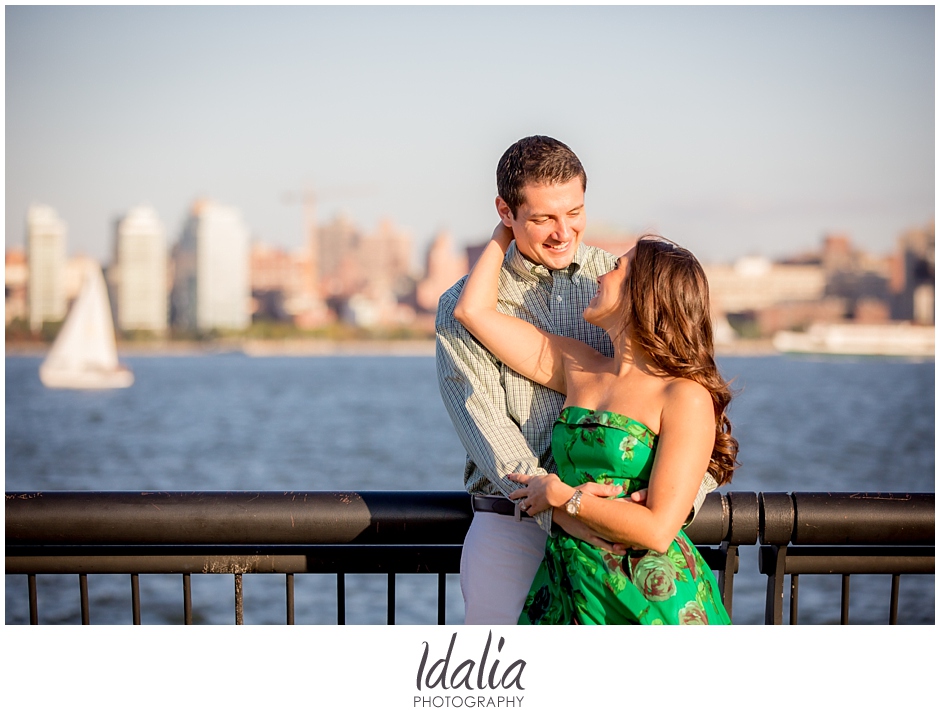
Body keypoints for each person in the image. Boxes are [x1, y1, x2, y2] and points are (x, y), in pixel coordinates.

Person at [435, 135, 716, 625]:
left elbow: (687, 403)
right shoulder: (573, 357)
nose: (564, 233)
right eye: (543, 217)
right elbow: (492, 436)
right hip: (516, 526)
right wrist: (563, 508)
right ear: (506, 211)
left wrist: (665, 508)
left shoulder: (617, 280)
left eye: (575, 212)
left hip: (632, 542)